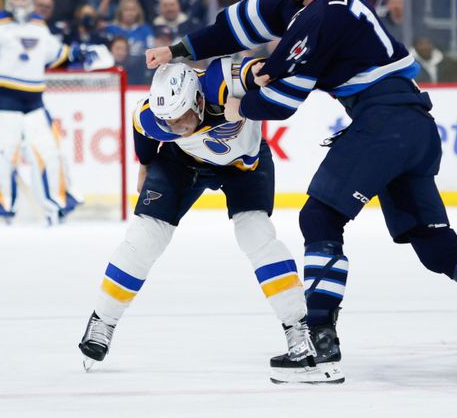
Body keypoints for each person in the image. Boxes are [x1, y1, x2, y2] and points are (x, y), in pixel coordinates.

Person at [146, 0, 457, 384]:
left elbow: (282, 98)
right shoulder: (305, 2)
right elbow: (232, 27)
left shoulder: (322, 17)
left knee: (319, 219)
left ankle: (319, 346)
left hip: (384, 123)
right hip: (410, 125)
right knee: (433, 243)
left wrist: (238, 103)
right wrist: (175, 50)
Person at [77, 60, 314, 374]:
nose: (175, 127)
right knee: (143, 238)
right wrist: (145, 164)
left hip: (243, 166)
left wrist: (248, 97)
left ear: (199, 100)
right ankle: (101, 323)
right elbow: (141, 128)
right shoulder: (152, 118)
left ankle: (298, 329)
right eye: (169, 122)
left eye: (182, 118)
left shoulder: (222, 81)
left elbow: (265, 71)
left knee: (256, 235)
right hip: (182, 163)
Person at [0, 0, 111, 224]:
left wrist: (78, 52)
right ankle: (2, 209)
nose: (20, 2)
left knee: (51, 153)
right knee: (3, 155)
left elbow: (55, 54)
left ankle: (57, 203)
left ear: (30, 0)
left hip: (35, 102)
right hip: (2, 102)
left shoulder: (38, 24)